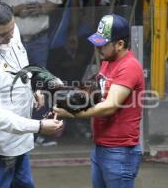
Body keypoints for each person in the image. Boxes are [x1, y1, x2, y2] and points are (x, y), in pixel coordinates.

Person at [0, 2, 63, 188]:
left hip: (18, 137)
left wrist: (31, 87)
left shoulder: (7, 30)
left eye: (12, 30)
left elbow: (18, 61)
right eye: (2, 35)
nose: (10, 38)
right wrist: (38, 126)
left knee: (24, 184)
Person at [54, 14, 145, 188]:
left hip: (120, 151)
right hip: (101, 146)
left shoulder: (129, 67)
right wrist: (69, 99)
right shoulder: (108, 61)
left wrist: (72, 113)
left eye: (103, 44)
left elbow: (110, 106)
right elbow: (99, 93)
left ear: (119, 44)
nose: (98, 48)